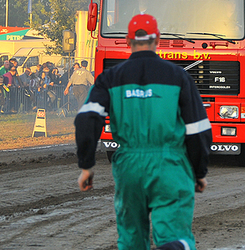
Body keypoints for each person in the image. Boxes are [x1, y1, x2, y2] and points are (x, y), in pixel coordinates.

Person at [74, 14, 212, 250]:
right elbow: (197, 129)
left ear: (128, 41)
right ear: (157, 39)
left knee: (131, 240)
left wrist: (86, 165)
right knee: (175, 236)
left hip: (129, 168)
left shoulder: (110, 78)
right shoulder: (179, 77)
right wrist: (199, 171)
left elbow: (87, 119)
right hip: (170, 167)